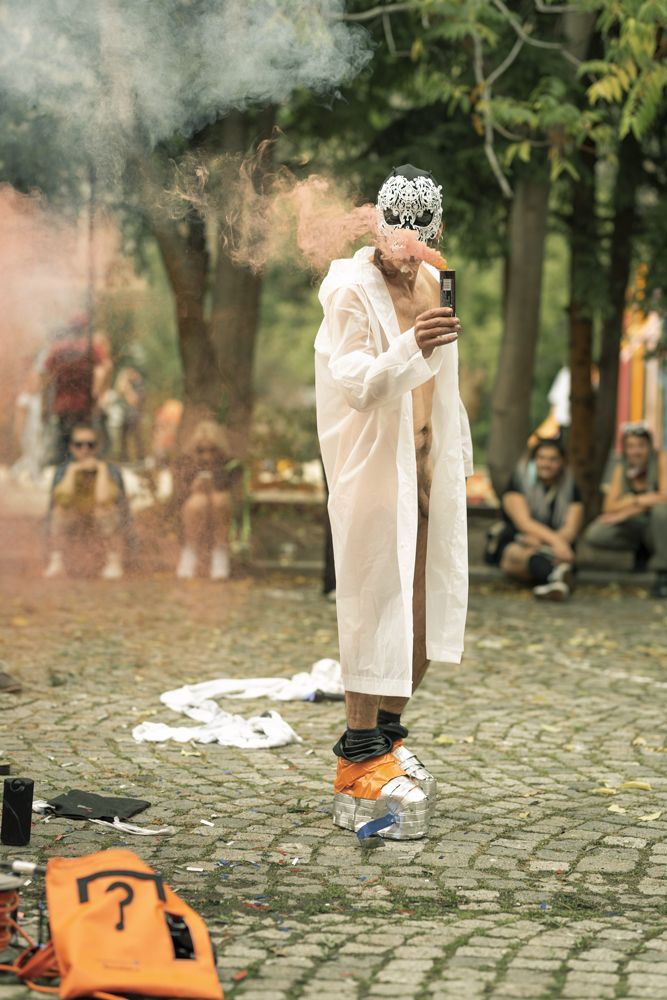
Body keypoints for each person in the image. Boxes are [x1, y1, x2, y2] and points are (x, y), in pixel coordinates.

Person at [315, 164, 472, 840]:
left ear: (435, 231)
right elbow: (354, 382)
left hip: (427, 466)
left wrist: (452, 459)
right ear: (378, 226)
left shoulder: (437, 280)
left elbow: (445, 383)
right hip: (374, 469)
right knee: (372, 602)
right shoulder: (348, 287)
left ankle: (386, 737)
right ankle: (357, 759)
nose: (403, 248)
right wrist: (412, 343)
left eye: (416, 235)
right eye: (393, 233)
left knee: (423, 608)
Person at [490, 438, 584, 601]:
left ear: (562, 462)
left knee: (559, 556)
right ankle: (557, 579)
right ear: (533, 460)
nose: (546, 464)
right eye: (541, 458)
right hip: (520, 541)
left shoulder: (570, 488)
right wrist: (554, 543)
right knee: (520, 555)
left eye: (553, 459)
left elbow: (571, 528)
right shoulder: (518, 482)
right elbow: (524, 523)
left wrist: (548, 545)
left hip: (554, 547)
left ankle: (554, 580)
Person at [585, 425, 667, 598]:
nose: (636, 451)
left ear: (650, 447)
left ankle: (663, 573)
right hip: (638, 526)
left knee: (661, 512)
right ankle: (641, 551)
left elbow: (664, 497)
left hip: (659, 526)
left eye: (641, 446)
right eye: (631, 446)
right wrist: (639, 500)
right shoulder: (621, 467)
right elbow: (609, 507)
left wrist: (627, 510)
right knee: (597, 532)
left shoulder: (661, 460)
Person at [44, 423, 127, 580]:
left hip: (101, 517)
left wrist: (101, 470)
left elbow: (104, 499)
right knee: (60, 512)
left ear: (97, 447)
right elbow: (63, 499)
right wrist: (72, 471)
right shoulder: (63, 470)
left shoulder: (110, 470)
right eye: (79, 444)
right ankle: (56, 560)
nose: (85, 449)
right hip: (73, 515)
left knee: (105, 511)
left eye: (90, 445)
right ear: (71, 447)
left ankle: (113, 560)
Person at [172, 420, 239, 581]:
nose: (207, 456)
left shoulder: (230, 464)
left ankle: (220, 552)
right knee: (197, 502)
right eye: (201, 450)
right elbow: (179, 496)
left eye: (212, 450)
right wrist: (195, 488)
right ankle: (190, 551)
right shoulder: (186, 464)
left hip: (221, 509)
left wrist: (215, 483)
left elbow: (234, 492)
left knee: (219, 500)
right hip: (192, 512)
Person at [41, 318, 108, 464]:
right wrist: (97, 395)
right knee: (88, 446)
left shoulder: (57, 349)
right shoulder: (90, 347)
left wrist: (44, 406)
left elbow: (46, 378)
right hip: (85, 407)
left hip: (63, 408)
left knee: (64, 447)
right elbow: (102, 370)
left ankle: (63, 471)